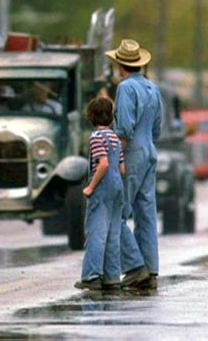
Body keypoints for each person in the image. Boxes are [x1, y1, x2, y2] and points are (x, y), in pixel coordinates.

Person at [106, 39, 163, 290]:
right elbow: (157, 127)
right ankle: (150, 269)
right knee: (146, 213)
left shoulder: (125, 88)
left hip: (131, 153)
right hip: (150, 149)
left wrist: (116, 158)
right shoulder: (152, 88)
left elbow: (125, 128)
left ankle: (134, 266)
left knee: (115, 211)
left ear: (120, 65)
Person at [74, 97, 126, 292]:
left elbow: (103, 164)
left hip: (102, 186)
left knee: (96, 232)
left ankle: (92, 275)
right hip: (117, 186)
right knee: (113, 233)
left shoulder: (96, 137)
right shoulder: (114, 137)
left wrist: (90, 187)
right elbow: (121, 168)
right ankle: (112, 277)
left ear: (91, 116)